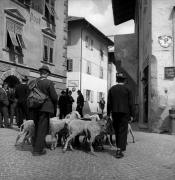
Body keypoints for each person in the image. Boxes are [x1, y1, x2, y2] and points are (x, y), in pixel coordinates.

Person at [31, 65, 58, 156]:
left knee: (37, 127)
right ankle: (38, 150)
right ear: (47, 73)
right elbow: (54, 97)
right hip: (45, 108)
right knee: (42, 129)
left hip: (35, 107)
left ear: (40, 72)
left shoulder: (34, 81)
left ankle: (35, 145)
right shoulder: (49, 82)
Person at [107, 73, 134, 158]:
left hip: (115, 113)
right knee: (123, 131)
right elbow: (131, 104)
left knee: (117, 130)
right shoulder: (128, 89)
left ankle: (119, 148)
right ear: (124, 80)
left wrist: (108, 114)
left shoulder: (112, 89)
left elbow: (109, 103)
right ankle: (119, 149)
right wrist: (132, 115)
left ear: (116, 80)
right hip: (125, 113)